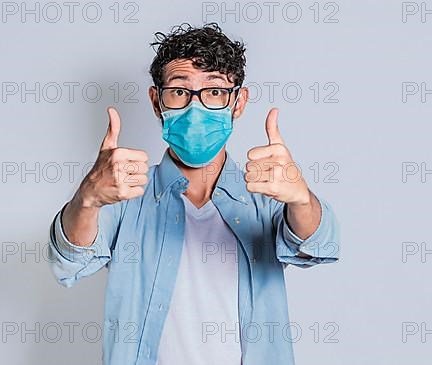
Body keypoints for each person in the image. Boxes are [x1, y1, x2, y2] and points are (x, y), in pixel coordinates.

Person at [47, 23, 340, 365]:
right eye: (179, 91)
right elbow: (69, 261)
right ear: (157, 102)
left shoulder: (266, 191)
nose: (196, 108)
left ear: (238, 102)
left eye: (215, 92)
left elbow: (319, 244)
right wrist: (87, 199)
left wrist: (301, 199)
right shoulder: (125, 194)